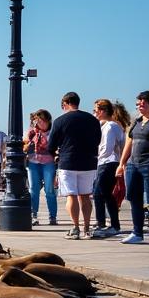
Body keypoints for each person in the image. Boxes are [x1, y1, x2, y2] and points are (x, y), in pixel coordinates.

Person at [48, 91, 102, 239]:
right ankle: (86, 229)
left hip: (68, 161)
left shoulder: (60, 121)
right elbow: (98, 139)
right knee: (85, 196)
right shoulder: (92, 119)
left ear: (65, 103)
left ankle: (75, 228)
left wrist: (56, 155)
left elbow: (51, 145)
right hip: (89, 161)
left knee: (71, 196)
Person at [114, 91, 149, 244]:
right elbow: (129, 143)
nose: (139, 106)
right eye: (138, 104)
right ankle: (137, 233)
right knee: (134, 199)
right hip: (133, 165)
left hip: (148, 165)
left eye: (143, 103)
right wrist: (122, 163)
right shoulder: (136, 121)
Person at [91, 99, 127, 238]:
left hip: (108, 162)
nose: (94, 113)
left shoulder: (111, 126)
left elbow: (107, 148)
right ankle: (104, 222)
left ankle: (109, 224)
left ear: (103, 111)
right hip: (105, 162)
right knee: (103, 193)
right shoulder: (106, 125)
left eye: (96, 110)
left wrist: (95, 157)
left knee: (101, 193)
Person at [25, 109, 57, 225]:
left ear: (48, 121)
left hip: (48, 162)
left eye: (43, 120)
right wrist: (29, 143)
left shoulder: (53, 132)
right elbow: (25, 146)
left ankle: (52, 216)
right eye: (38, 121)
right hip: (33, 162)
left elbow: (56, 148)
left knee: (49, 190)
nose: (41, 123)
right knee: (33, 189)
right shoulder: (32, 132)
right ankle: (33, 215)